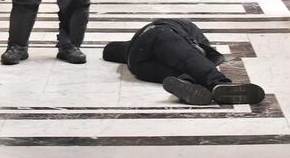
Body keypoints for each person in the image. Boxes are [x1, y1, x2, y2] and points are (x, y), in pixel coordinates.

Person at [103, 18, 265, 105]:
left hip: (137, 65)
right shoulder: (186, 28)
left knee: (184, 69)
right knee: (193, 61)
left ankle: (186, 84)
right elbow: (198, 54)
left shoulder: (140, 39)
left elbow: (109, 51)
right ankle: (219, 83)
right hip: (161, 36)